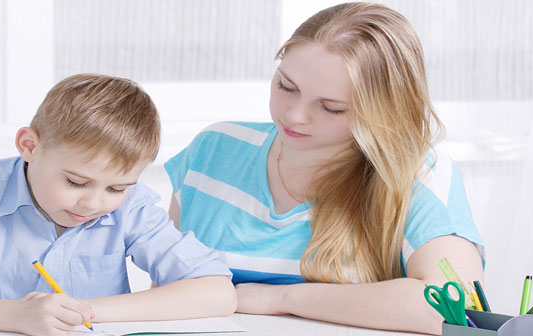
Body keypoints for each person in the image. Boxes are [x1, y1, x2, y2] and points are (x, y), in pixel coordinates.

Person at [164, 3, 483, 335]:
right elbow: (168, 285)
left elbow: (458, 311)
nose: (294, 115)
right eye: (286, 86)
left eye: (333, 108)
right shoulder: (215, 148)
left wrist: (281, 299)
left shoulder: (418, 175)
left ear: (385, 111)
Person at [0, 74, 236, 336]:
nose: (93, 203)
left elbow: (218, 292)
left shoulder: (131, 207)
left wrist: (83, 311)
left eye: (116, 188)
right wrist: (12, 316)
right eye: (76, 182)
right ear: (30, 146)